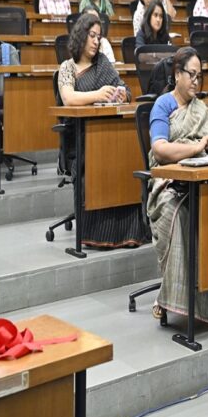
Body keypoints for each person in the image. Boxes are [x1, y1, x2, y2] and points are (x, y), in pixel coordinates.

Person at [148, 47, 208, 325]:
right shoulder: (163, 105)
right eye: (191, 75)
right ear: (177, 75)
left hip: (201, 181)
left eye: (199, 76)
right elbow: (160, 149)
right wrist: (194, 149)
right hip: (167, 187)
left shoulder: (200, 107)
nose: (195, 81)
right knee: (181, 216)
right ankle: (171, 298)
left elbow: (205, 145)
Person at [57, 13, 147, 249]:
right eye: (92, 36)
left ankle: (128, 232)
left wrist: (121, 94)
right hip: (81, 141)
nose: (96, 41)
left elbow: (126, 89)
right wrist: (98, 95)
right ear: (81, 36)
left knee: (125, 155)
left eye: (99, 36)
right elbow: (68, 98)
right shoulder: (67, 67)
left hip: (109, 135)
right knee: (97, 161)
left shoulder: (103, 63)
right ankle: (97, 233)